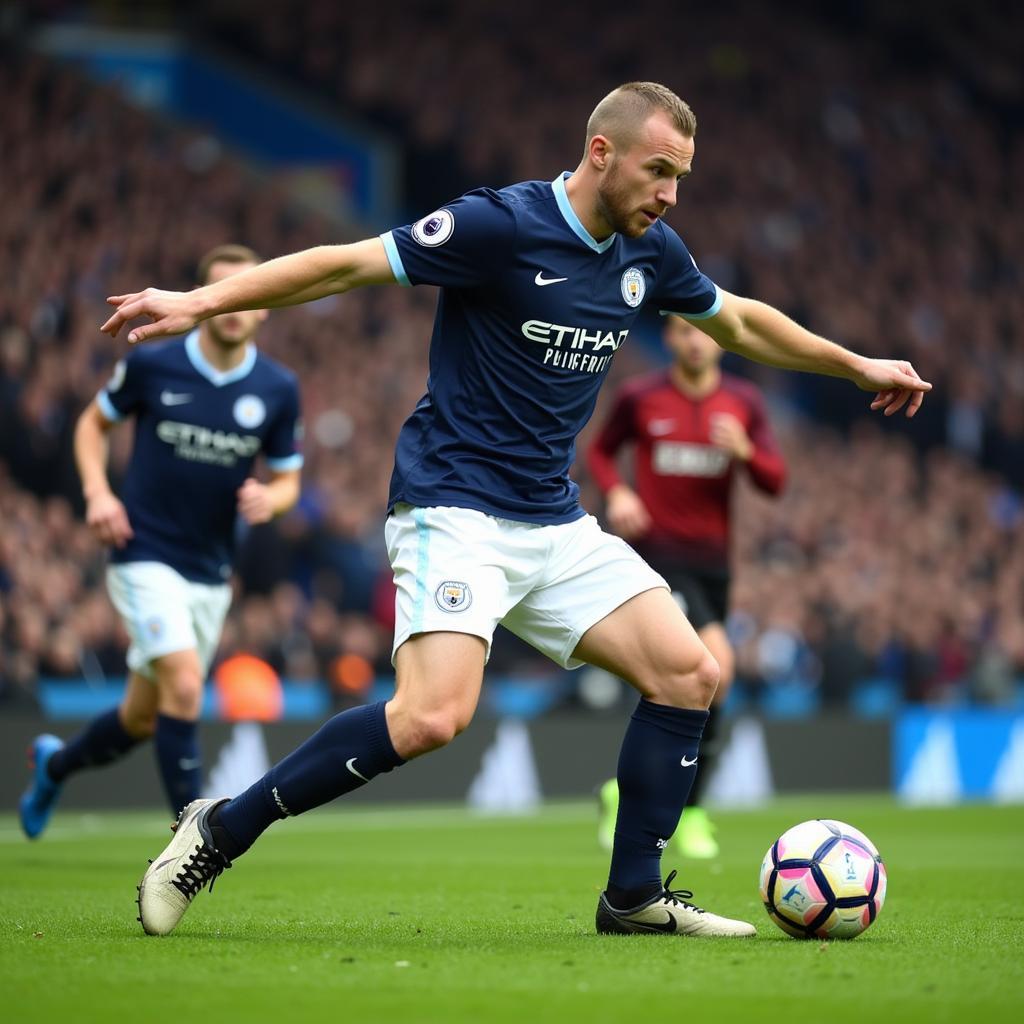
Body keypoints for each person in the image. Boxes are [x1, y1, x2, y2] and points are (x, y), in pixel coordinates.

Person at [100, 82, 928, 939]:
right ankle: (220, 830)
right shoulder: (500, 226)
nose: (671, 194)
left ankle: (633, 897)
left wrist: (856, 364)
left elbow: (741, 325)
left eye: (680, 176)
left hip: (553, 520)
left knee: (692, 673)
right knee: (430, 718)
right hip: (454, 506)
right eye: (658, 171)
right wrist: (199, 303)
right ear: (600, 153)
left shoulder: (653, 254)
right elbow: (346, 262)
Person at [19, 245, 303, 839]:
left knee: (142, 717)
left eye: (243, 292)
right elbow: (92, 425)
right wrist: (98, 494)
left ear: (262, 306)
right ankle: (191, 840)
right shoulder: (155, 365)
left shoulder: (278, 388)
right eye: (219, 290)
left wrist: (269, 500)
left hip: (210, 570)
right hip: (143, 552)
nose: (231, 307)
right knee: (180, 683)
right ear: (202, 299)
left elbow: (287, 479)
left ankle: (56, 765)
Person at [588, 315, 786, 858]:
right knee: (716, 664)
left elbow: (775, 481)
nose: (694, 340)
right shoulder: (641, 397)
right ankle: (691, 810)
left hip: (715, 565)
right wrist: (619, 493)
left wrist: (746, 451)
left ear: (718, 339)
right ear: (670, 339)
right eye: (681, 331)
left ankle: (633, 795)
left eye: (702, 331)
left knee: (683, 682)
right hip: (658, 557)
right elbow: (600, 452)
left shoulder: (743, 402)